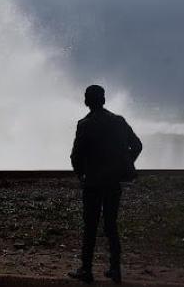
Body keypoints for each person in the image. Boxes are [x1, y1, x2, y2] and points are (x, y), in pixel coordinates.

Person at [68, 85, 143, 284]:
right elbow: (137, 145)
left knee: (90, 226)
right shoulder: (118, 121)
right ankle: (115, 269)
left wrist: (80, 175)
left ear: (87, 101)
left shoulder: (85, 124)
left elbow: (76, 155)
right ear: (103, 100)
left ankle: (87, 269)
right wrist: (126, 164)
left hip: (92, 182)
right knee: (111, 225)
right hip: (112, 181)